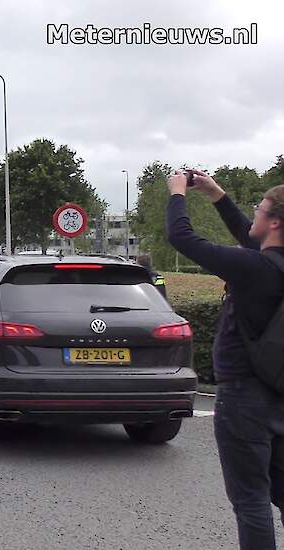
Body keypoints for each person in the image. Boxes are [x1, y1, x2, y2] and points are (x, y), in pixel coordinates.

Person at [166, 169, 284, 548]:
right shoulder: (268, 265)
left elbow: (182, 237)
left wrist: (177, 194)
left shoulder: (254, 268)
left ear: (275, 221)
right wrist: (217, 194)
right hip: (279, 392)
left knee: (250, 499)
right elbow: (247, 234)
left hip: (244, 398)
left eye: (260, 209)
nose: (254, 215)